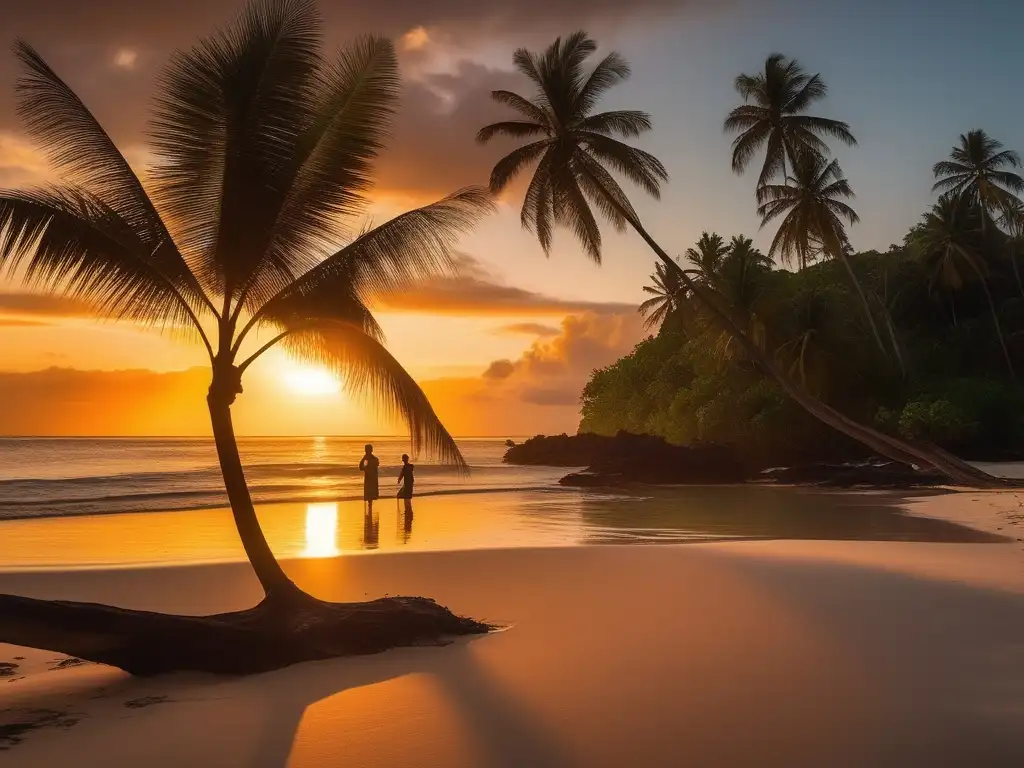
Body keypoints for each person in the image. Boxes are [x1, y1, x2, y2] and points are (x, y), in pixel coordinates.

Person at [359, 444, 379, 509]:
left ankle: (370, 506)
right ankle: (370, 506)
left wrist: (365, 468)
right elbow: (377, 463)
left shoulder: (366, 458)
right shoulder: (373, 458)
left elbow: (361, 466)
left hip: (369, 477)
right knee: (371, 492)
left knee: (369, 492)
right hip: (372, 477)